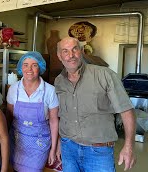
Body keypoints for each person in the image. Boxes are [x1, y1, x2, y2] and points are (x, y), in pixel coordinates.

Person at [55, 37, 136, 171]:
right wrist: (59, 141)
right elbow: (62, 115)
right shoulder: (59, 81)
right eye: (65, 51)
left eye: (75, 49)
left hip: (98, 151)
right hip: (68, 147)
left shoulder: (104, 75)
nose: (71, 55)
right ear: (59, 56)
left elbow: (127, 110)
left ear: (81, 51)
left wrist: (129, 146)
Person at [6, 51, 59, 172]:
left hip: (39, 144)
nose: (29, 69)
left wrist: (53, 149)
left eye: (34, 65)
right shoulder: (14, 89)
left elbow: (54, 121)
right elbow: (8, 117)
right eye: (25, 65)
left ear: (40, 68)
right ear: (21, 67)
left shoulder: (50, 91)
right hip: (17, 141)